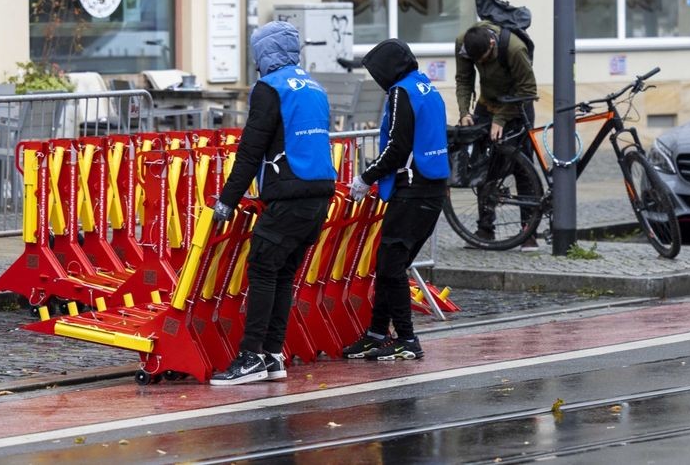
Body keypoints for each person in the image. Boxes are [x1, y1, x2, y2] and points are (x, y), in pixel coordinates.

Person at [208, 21, 336, 386]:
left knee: (263, 269)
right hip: (318, 193)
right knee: (282, 274)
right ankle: (272, 355)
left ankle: (251, 356)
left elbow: (251, 149)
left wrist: (226, 202)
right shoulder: (314, 87)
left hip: (288, 193)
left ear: (265, 52)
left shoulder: (270, 89)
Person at [343, 39, 449, 361]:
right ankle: (376, 334)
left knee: (390, 266)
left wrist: (365, 177)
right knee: (392, 266)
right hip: (432, 189)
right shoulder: (426, 86)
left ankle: (406, 338)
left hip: (413, 189)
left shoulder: (402, 92)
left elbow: (396, 148)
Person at [455, 20, 539, 246]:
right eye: (477, 62)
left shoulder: (514, 48)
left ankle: (528, 233)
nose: (482, 64)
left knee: (523, 168)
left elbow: (529, 90)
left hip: (518, 105)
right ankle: (485, 230)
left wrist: (500, 119)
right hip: (487, 103)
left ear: (492, 43)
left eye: (485, 59)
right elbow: (464, 79)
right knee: (484, 165)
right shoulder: (464, 44)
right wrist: (464, 112)